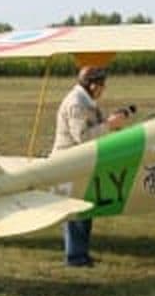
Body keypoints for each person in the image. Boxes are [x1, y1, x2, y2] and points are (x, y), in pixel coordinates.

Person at [52, 66, 127, 266]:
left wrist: (110, 121)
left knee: (86, 210)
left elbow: (92, 127)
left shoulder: (86, 100)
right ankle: (75, 258)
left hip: (80, 163)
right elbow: (83, 138)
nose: (103, 90)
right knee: (77, 212)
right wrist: (110, 125)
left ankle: (81, 254)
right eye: (102, 86)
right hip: (69, 165)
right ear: (93, 85)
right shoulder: (77, 104)